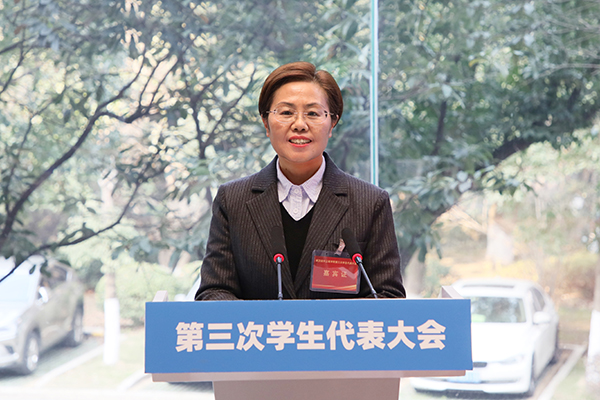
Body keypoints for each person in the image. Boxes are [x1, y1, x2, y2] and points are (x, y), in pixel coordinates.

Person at [195, 61, 405, 300]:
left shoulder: (370, 203)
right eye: (286, 113)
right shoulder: (232, 201)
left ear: (332, 123)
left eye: (313, 113)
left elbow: (387, 295)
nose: (299, 125)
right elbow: (215, 291)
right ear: (266, 122)